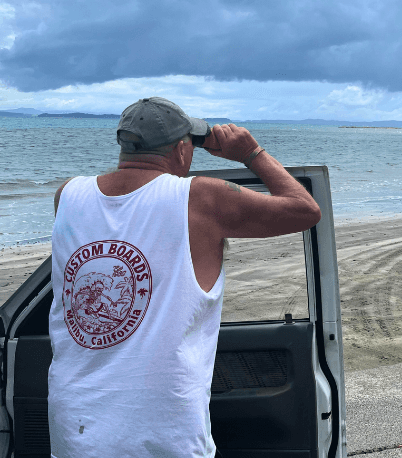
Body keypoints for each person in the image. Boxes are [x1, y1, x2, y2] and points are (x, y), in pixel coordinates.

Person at [48, 97, 321, 457]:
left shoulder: (67, 195)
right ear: (181, 149)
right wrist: (251, 152)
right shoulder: (199, 198)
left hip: (75, 427)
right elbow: (305, 209)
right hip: (162, 433)